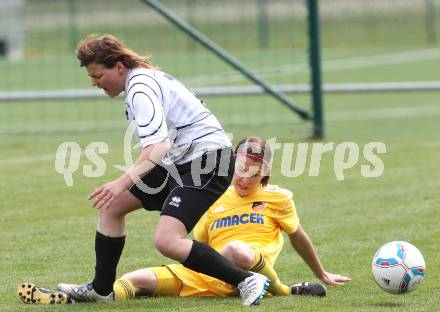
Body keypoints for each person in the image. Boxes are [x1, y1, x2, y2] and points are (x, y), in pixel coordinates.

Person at [56, 34, 269, 306]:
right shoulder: (140, 80)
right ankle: (101, 290)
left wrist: (121, 182)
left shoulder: (140, 88)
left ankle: (245, 280)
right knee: (111, 206)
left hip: (206, 161)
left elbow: (157, 147)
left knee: (167, 240)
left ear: (119, 67)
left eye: (98, 75)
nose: (93, 82)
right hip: (180, 161)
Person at [112, 137, 351, 300]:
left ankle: (280, 290)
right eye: (240, 170)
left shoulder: (279, 198)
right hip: (208, 275)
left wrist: (321, 273)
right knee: (132, 279)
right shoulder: (211, 196)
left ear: (265, 173)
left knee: (235, 250)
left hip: (252, 270)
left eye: (253, 173)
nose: (245, 179)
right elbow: (200, 247)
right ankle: (74, 296)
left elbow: (298, 237)